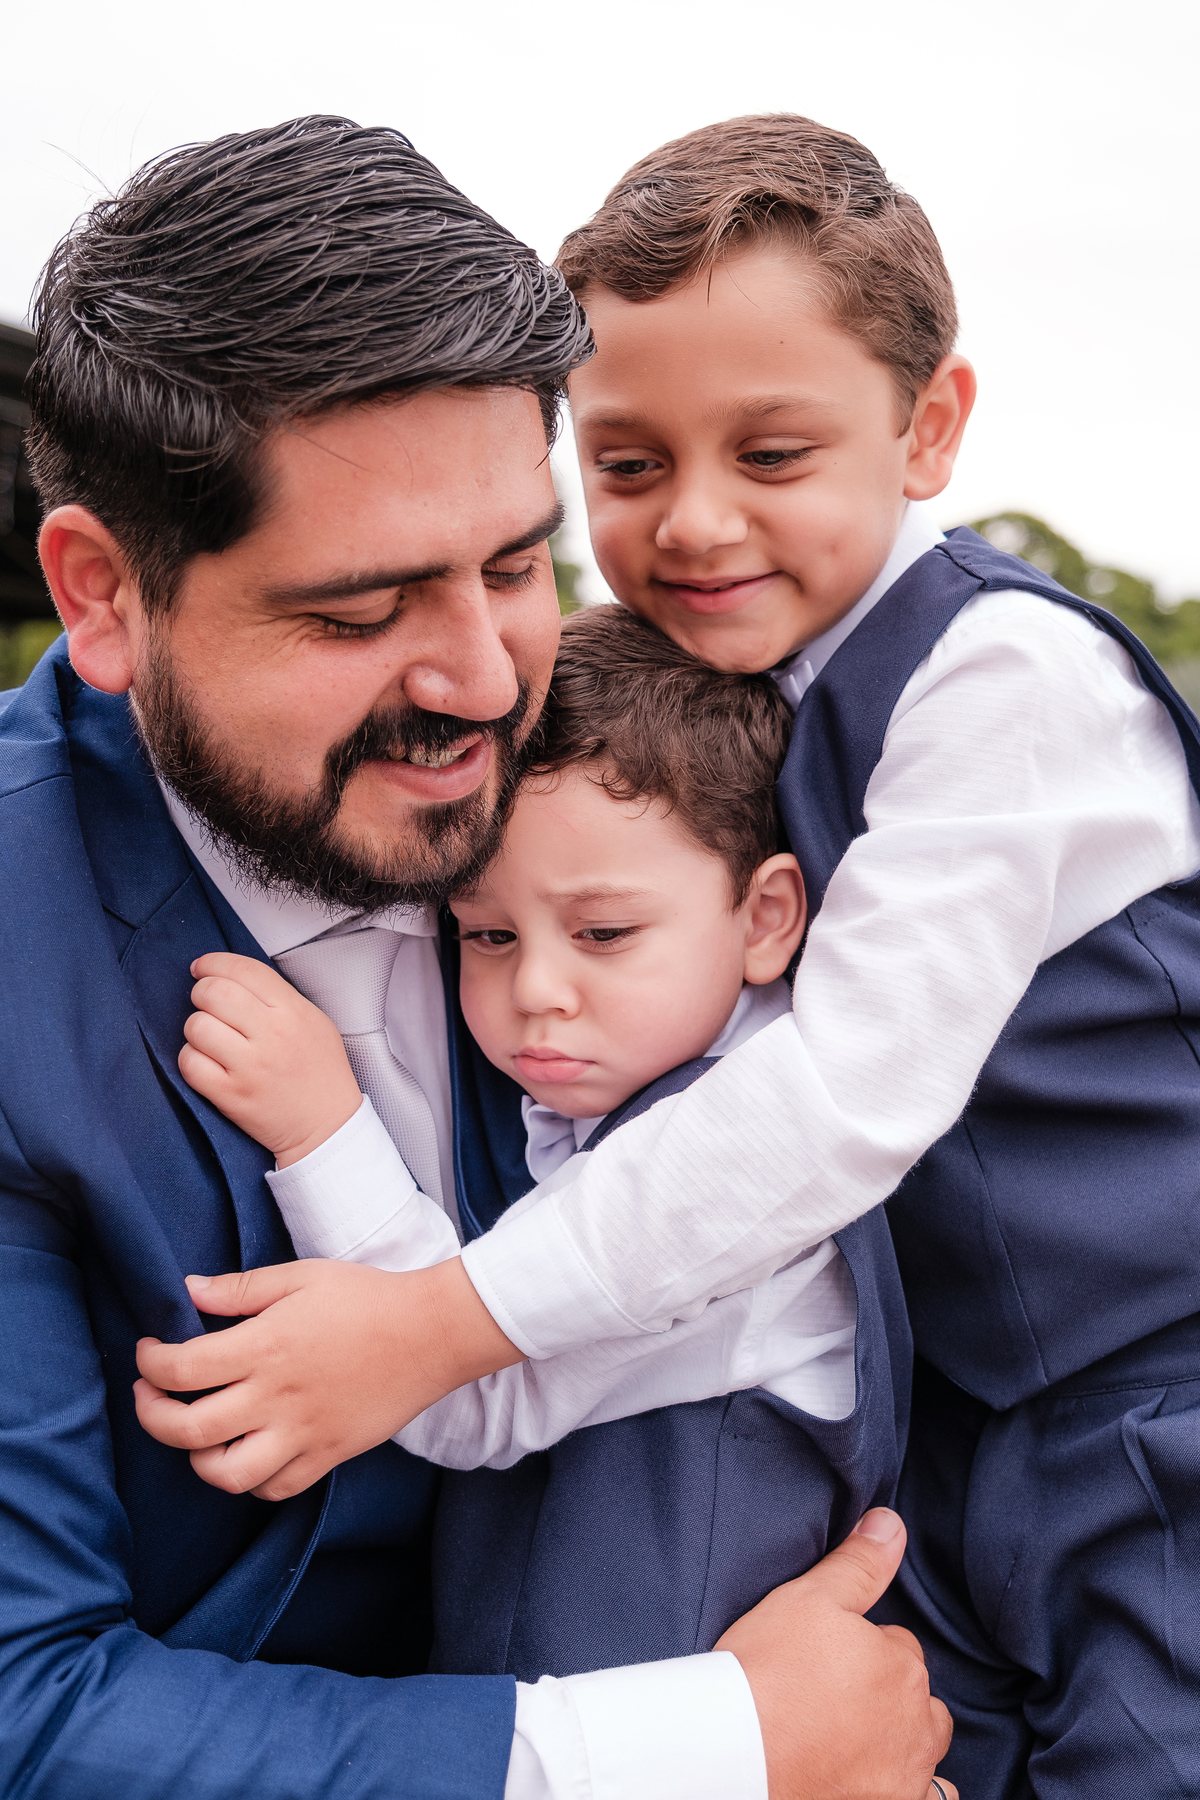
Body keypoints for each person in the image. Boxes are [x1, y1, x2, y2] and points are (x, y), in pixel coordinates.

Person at [141, 114, 1200, 1797]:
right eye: (629, 467)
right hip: (954, 1426)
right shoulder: (711, 696)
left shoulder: (1007, 683)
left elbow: (841, 1094)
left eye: (771, 457)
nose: (694, 522)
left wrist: (443, 1323)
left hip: (1149, 1397)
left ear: (930, 429)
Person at [1, 115, 951, 1800]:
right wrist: (707, 1751)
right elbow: (24, 1712)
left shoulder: (690, 769)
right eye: (359, 614)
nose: (482, 683)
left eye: (518, 566)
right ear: (102, 596)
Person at [170, 603, 912, 1681]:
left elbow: (469, 1392)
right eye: (487, 933)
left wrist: (321, 1127)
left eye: (605, 933)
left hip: (654, 1716)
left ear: (765, 918)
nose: (537, 993)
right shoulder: (665, 1088)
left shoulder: (726, 1156)